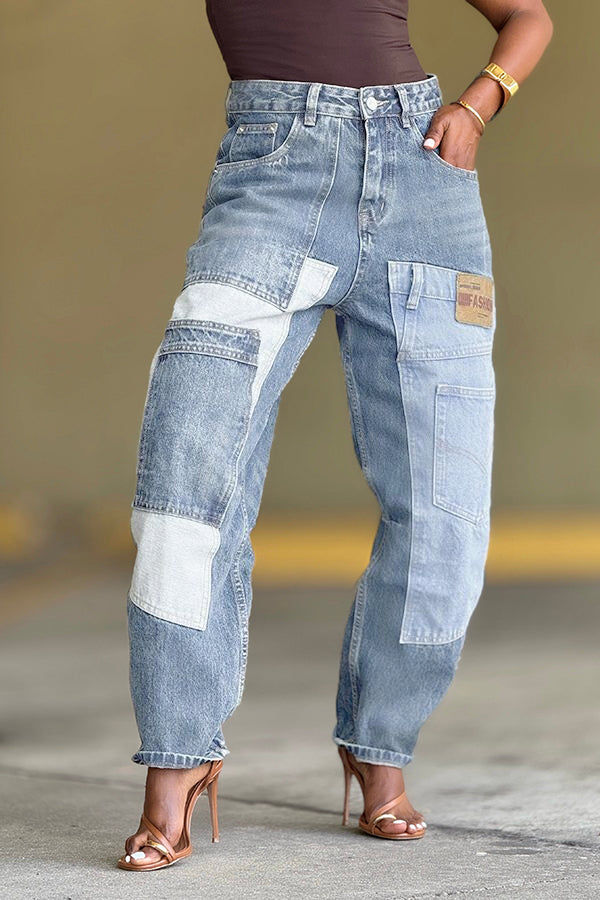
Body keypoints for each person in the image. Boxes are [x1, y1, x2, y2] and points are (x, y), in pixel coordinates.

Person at [118, 0, 553, 871]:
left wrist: (478, 105)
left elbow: (528, 17)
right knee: (186, 481)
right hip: (273, 171)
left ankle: (381, 747)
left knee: (443, 506)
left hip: (425, 178)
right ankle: (177, 758)